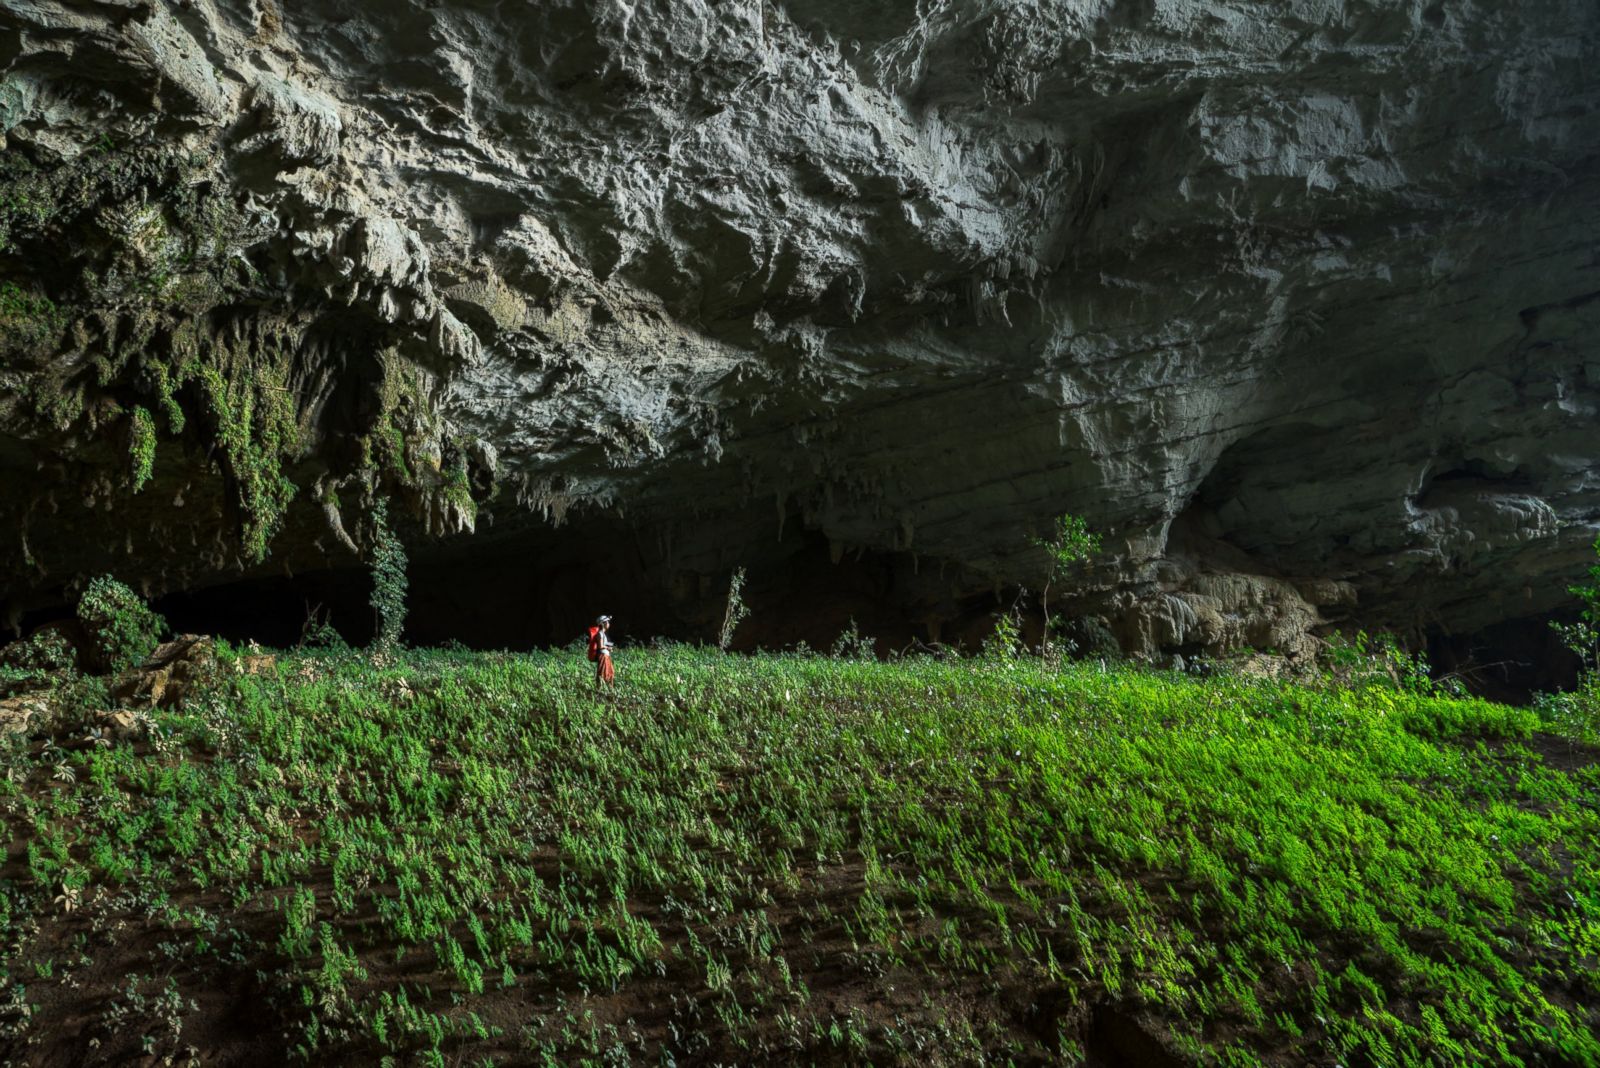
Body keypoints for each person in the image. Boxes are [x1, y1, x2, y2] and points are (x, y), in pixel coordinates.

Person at [589, 614, 615, 691]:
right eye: (607, 622)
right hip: (603, 655)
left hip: (606, 655)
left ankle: (610, 689)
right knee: (602, 673)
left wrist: (608, 648)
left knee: (610, 672)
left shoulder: (603, 634)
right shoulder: (600, 634)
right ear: (603, 624)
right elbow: (600, 646)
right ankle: (599, 689)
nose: (608, 624)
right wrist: (608, 648)